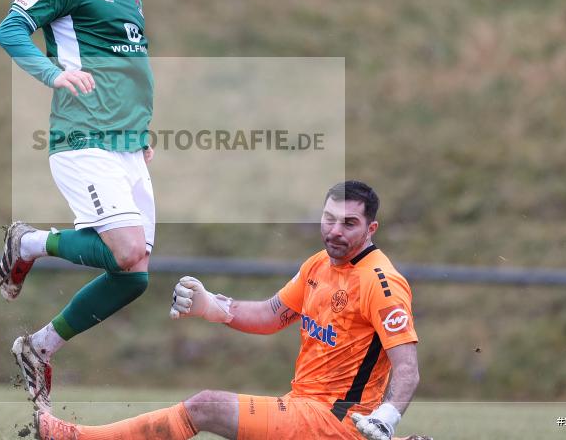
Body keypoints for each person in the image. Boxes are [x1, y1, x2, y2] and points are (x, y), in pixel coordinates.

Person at [34, 181, 430, 440]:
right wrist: (214, 307)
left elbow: (407, 368)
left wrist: (388, 416)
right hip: (302, 406)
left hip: (336, 421)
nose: (334, 231)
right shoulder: (318, 265)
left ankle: (74, 438)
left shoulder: (382, 283)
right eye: (329, 219)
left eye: (348, 223)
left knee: (206, 406)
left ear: (370, 229)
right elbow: (272, 316)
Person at [0, 0, 155, 410]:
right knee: (126, 251)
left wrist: (141, 129)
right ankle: (29, 243)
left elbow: (126, 69)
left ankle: (38, 347)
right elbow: (10, 28)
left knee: (133, 279)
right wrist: (51, 74)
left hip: (126, 146)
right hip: (83, 140)